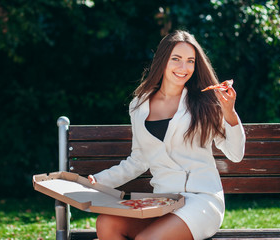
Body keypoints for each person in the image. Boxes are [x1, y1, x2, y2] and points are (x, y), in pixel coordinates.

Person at [88, 30, 246, 240]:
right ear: (163, 61)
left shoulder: (207, 102)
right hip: (163, 202)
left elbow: (235, 154)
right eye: (176, 59)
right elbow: (138, 160)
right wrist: (97, 182)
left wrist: (229, 113)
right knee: (107, 223)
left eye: (190, 61)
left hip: (202, 202)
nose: (184, 68)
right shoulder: (139, 105)